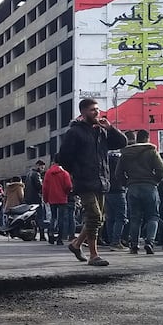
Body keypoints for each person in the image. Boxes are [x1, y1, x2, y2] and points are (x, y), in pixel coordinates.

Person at [57, 98, 128, 266]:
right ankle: (94, 255)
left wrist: (110, 128)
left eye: (97, 109)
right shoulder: (74, 132)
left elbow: (122, 142)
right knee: (95, 216)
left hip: (101, 180)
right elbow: (63, 157)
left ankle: (76, 245)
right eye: (92, 110)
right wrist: (76, 172)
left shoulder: (101, 132)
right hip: (84, 181)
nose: (96, 112)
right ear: (83, 112)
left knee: (97, 218)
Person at [116, 129, 163, 254]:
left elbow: (118, 173)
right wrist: (155, 180)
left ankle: (134, 245)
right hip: (149, 186)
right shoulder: (152, 151)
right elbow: (161, 169)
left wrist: (126, 183)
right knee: (153, 216)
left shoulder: (126, 153)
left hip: (132, 187)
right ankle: (149, 242)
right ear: (147, 138)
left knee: (135, 217)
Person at [43, 158, 73, 246]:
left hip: (52, 198)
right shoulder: (65, 173)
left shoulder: (48, 173)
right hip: (62, 198)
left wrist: (45, 198)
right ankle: (60, 238)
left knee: (53, 217)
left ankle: (51, 235)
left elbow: (45, 187)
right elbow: (68, 186)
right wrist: (66, 193)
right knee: (61, 218)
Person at [104, 150, 127, 250]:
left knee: (110, 218)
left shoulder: (106, 157)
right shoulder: (121, 158)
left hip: (107, 190)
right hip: (118, 190)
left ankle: (111, 240)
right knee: (120, 217)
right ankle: (116, 241)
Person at [25, 160, 46, 240]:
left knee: (31, 217)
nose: (42, 169)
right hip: (36, 199)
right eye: (41, 167)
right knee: (41, 217)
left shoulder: (28, 174)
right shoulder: (36, 174)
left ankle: (32, 235)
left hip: (28, 199)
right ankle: (42, 235)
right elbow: (39, 186)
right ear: (37, 165)